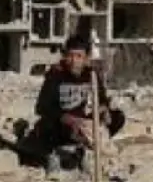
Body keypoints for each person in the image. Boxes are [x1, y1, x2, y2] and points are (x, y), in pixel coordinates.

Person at [31, 34, 126, 171]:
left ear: (86, 58)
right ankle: (54, 154)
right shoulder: (56, 74)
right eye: (70, 56)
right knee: (49, 124)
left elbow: (102, 99)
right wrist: (66, 118)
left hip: (82, 121)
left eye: (79, 56)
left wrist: (104, 110)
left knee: (118, 117)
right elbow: (41, 107)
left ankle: (88, 149)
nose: (74, 61)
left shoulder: (91, 75)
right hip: (62, 122)